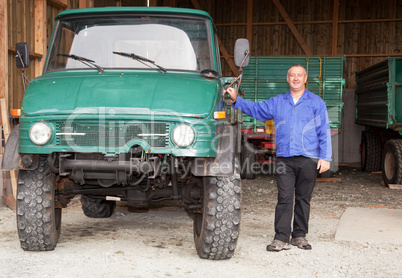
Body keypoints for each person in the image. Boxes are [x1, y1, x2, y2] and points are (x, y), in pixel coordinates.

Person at [225, 64, 331, 251]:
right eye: (292, 75)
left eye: (299, 75)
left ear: (305, 79)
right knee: (284, 197)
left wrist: (325, 157)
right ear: (288, 78)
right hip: (285, 159)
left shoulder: (316, 103)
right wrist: (237, 100)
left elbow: (324, 131)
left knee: (303, 198)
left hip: (309, 158)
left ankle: (299, 235)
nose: (296, 78)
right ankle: (281, 237)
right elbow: (256, 109)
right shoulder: (278, 102)